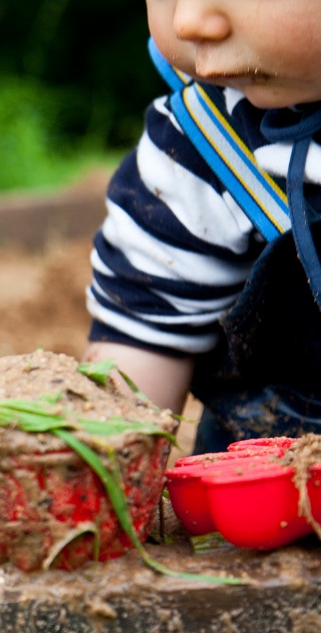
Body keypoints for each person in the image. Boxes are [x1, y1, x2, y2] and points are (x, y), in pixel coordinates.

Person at [83, 0, 321, 453]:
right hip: (272, 496)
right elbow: (141, 333)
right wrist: (105, 459)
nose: (188, 19)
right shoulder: (204, 150)